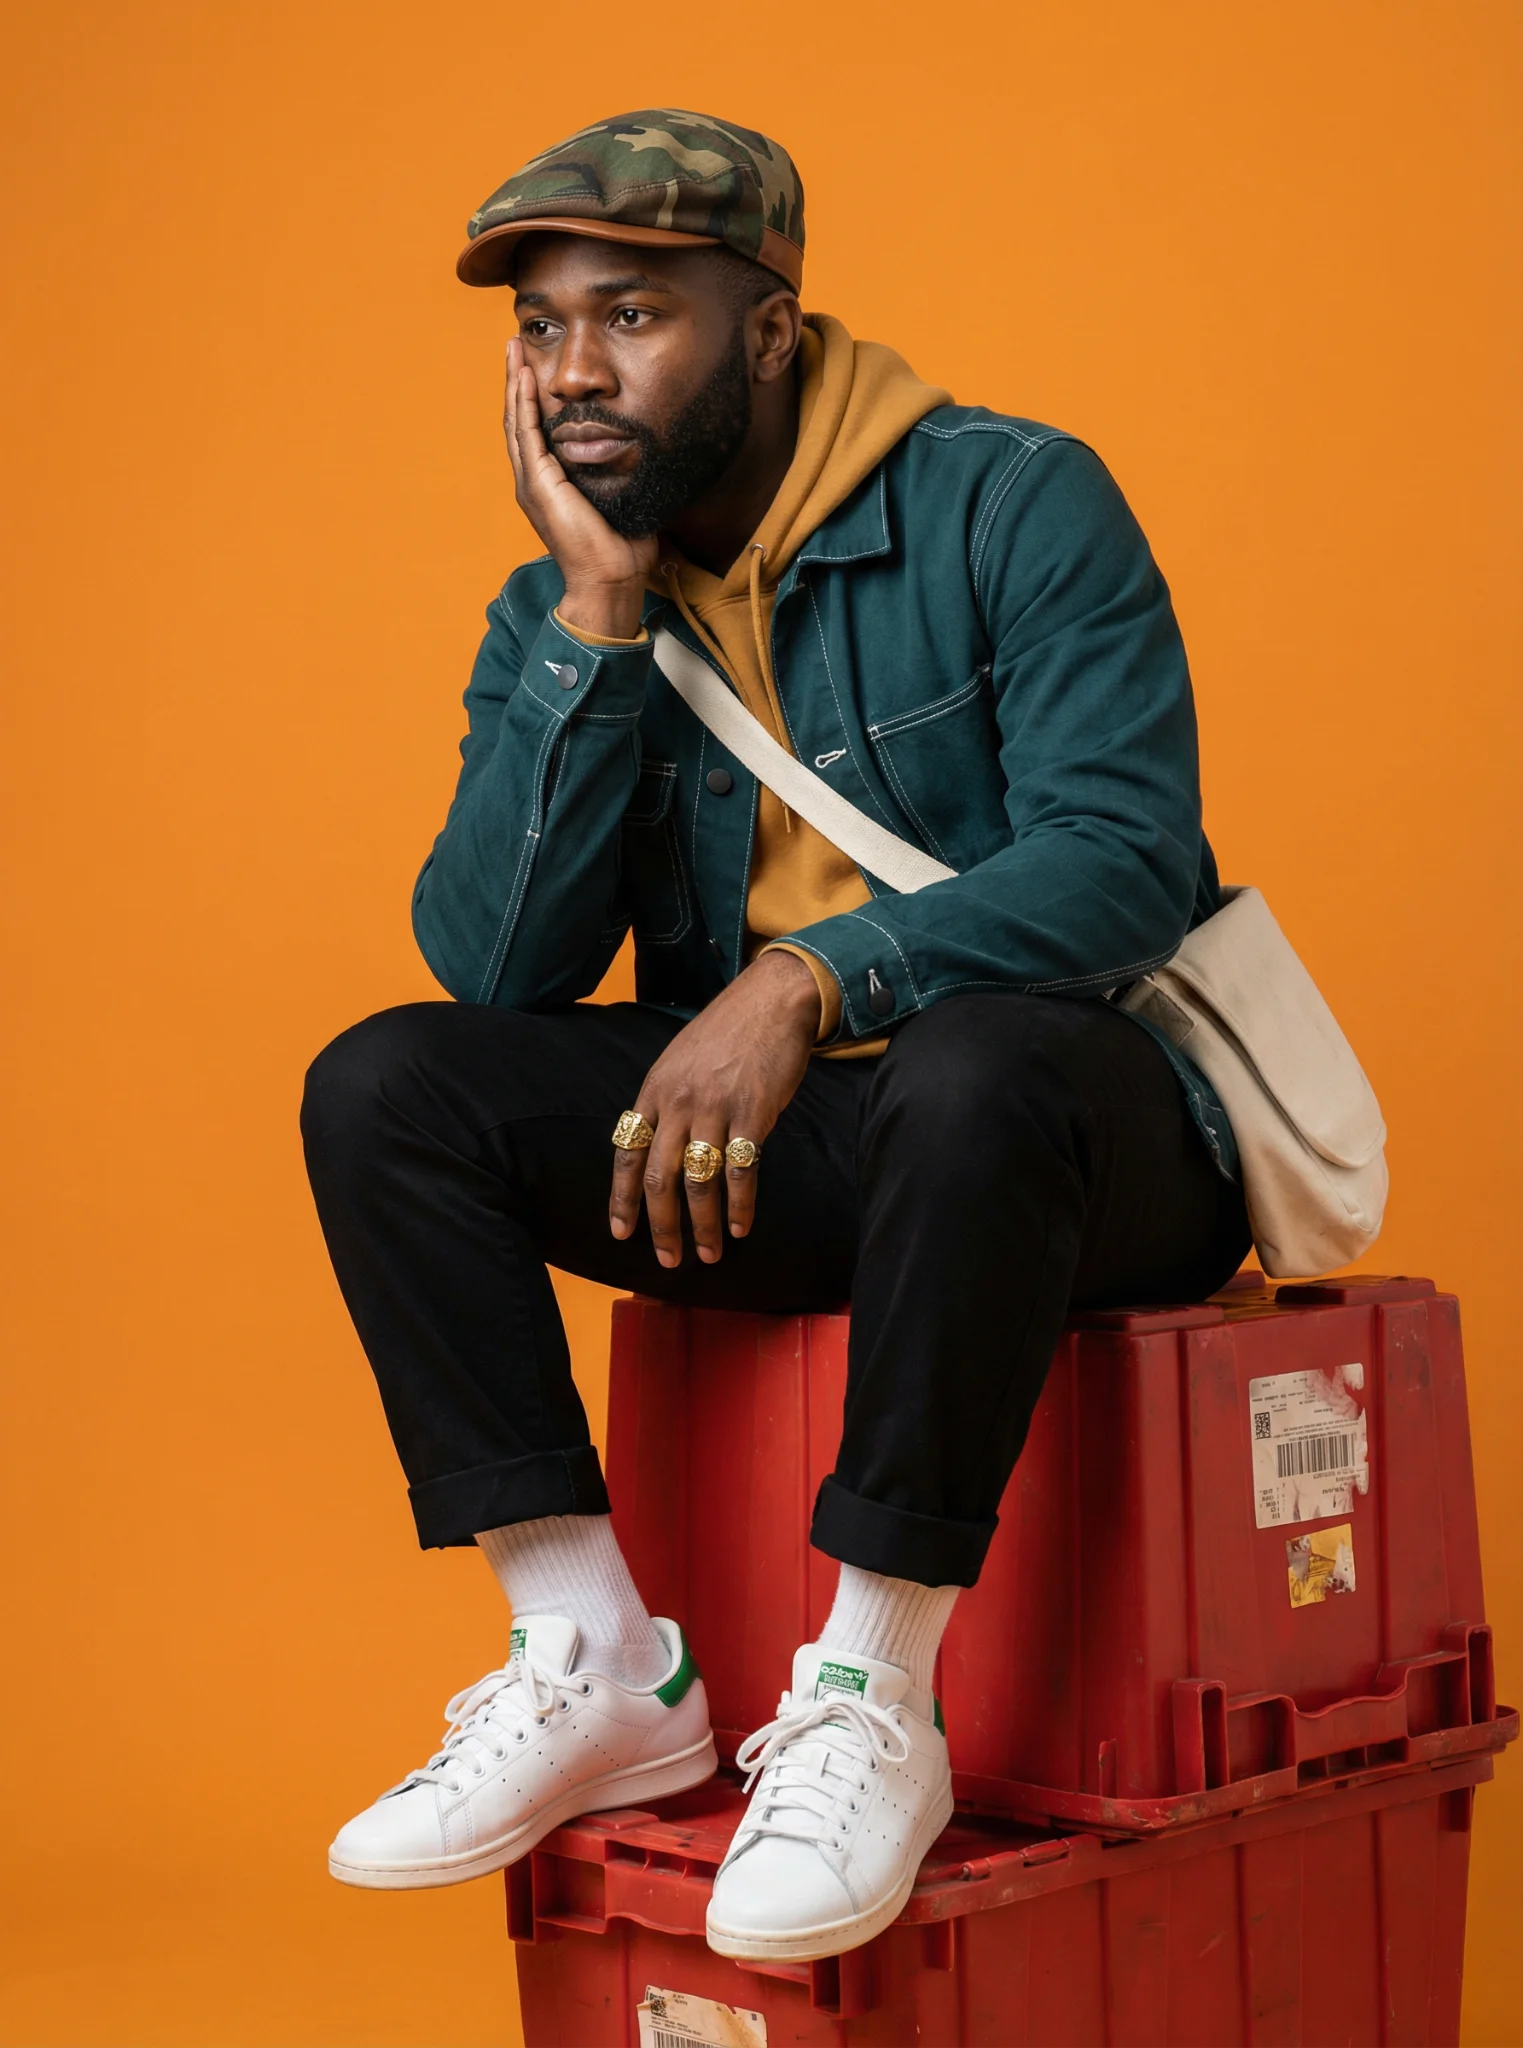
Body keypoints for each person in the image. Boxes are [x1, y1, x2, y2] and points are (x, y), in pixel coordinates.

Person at [301, 110, 1250, 1960]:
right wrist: (590, 619)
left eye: (633, 315)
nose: (575, 369)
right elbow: (493, 975)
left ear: (773, 333)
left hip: (1080, 1147)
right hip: (790, 1174)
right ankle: (593, 1664)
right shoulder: (568, 607)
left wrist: (808, 981)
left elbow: (1126, 857)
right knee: (388, 1083)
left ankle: (869, 1694)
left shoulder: (1009, 499)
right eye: (542, 328)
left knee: (973, 1067)